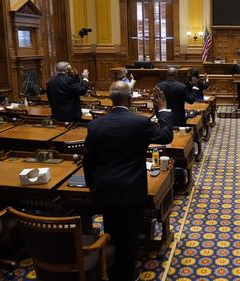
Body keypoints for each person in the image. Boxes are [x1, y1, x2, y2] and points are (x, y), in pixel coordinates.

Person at [83, 81, 173, 281]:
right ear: (131, 99)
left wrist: (92, 186)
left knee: (111, 228)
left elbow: (87, 160)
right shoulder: (139, 123)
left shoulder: (95, 125)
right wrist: (163, 110)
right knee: (130, 234)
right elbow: (166, 136)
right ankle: (126, 273)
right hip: (131, 190)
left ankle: (112, 267)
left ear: (110, 98)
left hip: (105, 189)